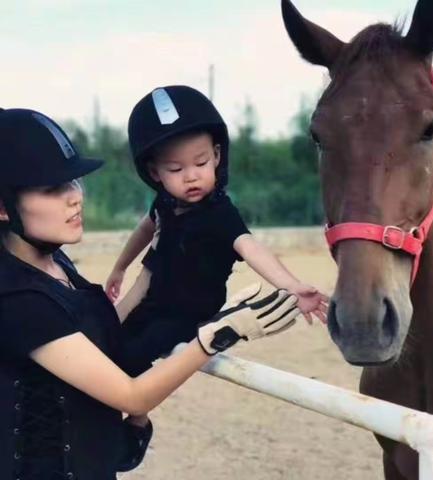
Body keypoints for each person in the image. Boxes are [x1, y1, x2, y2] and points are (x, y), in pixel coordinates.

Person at [0, 107, 301, 480]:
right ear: (3, 207)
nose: (74, 197)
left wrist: (152, 261)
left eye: (74, 182)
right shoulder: (16, 299)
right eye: (52, 188)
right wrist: (218, 335)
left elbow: (106, 334)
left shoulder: (57, 265)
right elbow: (131, 395)